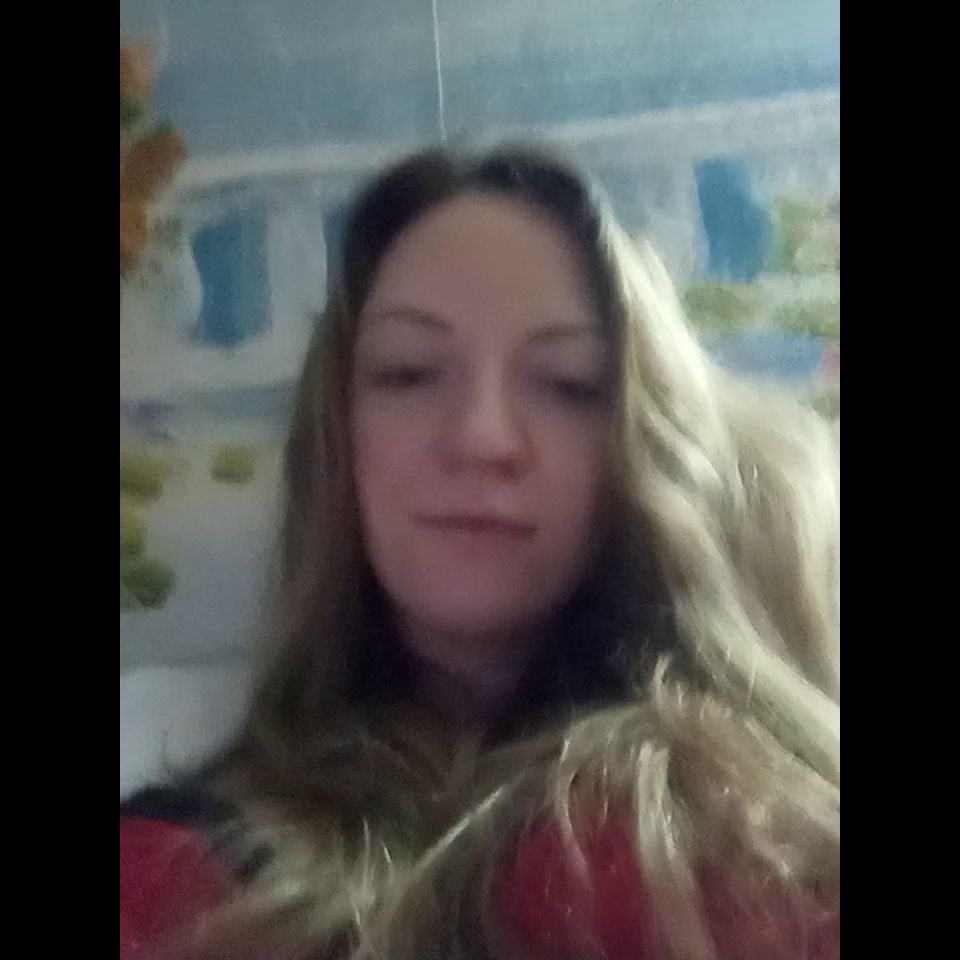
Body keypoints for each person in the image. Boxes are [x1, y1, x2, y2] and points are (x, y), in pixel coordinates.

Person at [120, 145, 840, 960]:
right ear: (338, 439)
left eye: (566, 382)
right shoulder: (181, 875)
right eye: (409, 372)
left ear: (642, 441)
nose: (481, 437)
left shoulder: (758, 832)